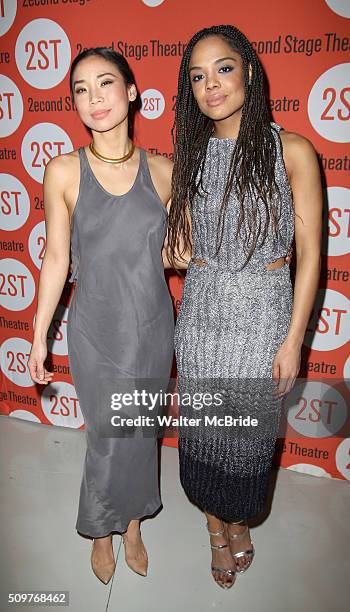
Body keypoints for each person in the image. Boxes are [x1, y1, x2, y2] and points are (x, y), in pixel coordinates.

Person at [167, 25, 322, 589]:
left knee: (249, 441)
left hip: (263, 314)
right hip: (204, 314)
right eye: (198, 76)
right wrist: (175, 248)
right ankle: (216, 529)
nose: (212, 85)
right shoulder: (189, 153)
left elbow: (310, 258)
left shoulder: (292, 150)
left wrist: (293, 339)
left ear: (250, 72)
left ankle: (238, 519)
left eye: (224, 68)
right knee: (206, 434)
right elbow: (180, 246)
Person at [28, 47, 175, 585]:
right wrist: (39, 333)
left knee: (140, 432)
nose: (94, 98)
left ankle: (132, 524)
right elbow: (56, 258)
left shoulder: (163, 170)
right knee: (106, 434)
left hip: (154, 327)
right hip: (94, 328)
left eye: (105, 83)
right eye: (81, 90)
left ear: (132, 92)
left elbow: (172, 254)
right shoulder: (63, 170)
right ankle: (100, 527)